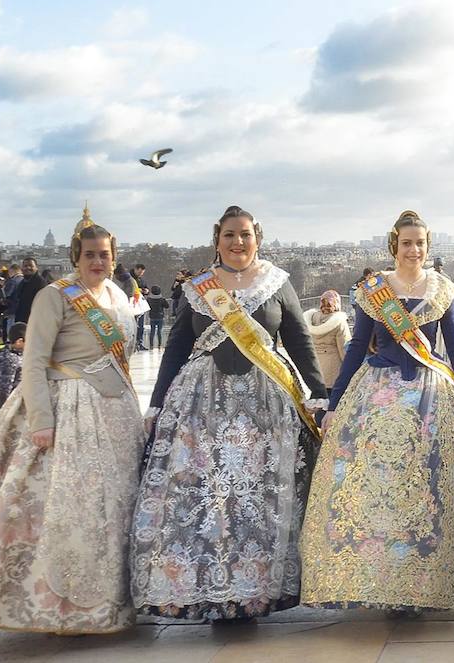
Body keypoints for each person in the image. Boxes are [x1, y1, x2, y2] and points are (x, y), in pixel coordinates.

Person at [0, 216, 143, 633]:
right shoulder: (55, 296)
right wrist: (41, 421)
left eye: (104, 255)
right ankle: (63, 606)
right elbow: (33, 361)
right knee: (70, 509)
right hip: (69, 410)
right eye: (90, 255)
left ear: (113, 256)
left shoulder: (119, 295)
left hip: (115, 411)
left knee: (114, 508)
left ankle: (110, 600)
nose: (98, 262)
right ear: (76, 256)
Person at [132, 205, 327, 621]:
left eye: (245, 235)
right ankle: (215, 588)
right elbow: (177, 349)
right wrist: (157, 400)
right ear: (216, 240)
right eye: (229, 235)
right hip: (204, 406)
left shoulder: (277, 283)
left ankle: (256, 590)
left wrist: (322, 395)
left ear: (258, 237)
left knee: (261, 495)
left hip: (267, 407)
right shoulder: (198, 288)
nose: (238, 243)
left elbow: (300, 342)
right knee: (212, 496)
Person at [299, 210, 454, 611]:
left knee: (424, 488)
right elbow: (356, 348)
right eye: (406, 243)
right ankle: (379, 580)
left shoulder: (443, 290)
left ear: (428, 247)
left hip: (432, 400)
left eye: (420, 243)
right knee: (376, 487)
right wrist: (334, 403)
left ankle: (418, 583)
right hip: (377, 394)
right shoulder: (372, 291)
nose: (413, 250)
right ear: (393, 246)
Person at [305, 289, 350, 388]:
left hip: (315, 366)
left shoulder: (311, 319)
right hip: (333, 368)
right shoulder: (339, 322)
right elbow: (344, 349)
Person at [0, 323, 26, 410]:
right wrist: (4, 413)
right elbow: (3, 389)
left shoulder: (17, 354)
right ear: (19, 341)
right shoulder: (8, 358)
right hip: (12, 407)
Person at [14, 257, 46, 328]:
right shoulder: (23, 282)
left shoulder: (40, 282)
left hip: (35, 322)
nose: (28, 268)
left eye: (31, 266)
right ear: (22, 268)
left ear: (36, 268)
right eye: (25, 266)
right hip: (22, 321)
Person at [145, 284, 169, 349]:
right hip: (160, 317)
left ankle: (151, 345)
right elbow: (167, 306)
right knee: (159, 331)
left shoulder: (149, 299)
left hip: (152, 317)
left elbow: (146, 307)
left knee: (152, 331)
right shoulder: (162, 299)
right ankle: (159, 345)